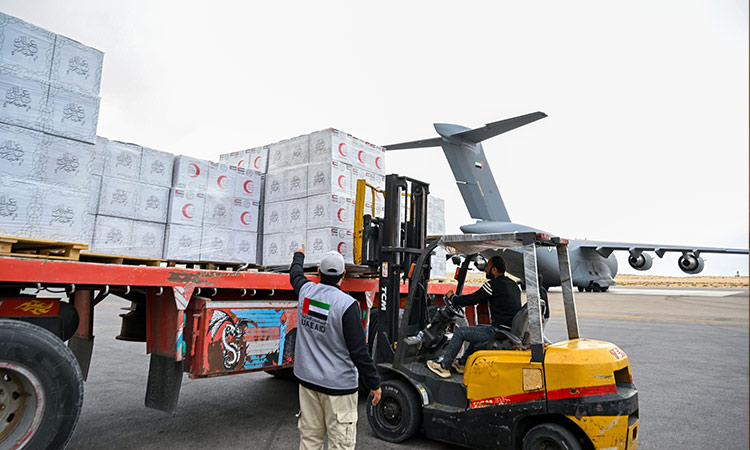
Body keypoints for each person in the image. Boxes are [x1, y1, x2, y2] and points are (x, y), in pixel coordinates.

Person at [290, 245, 382, 450]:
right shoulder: (346, 305)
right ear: (344, 275)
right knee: (340, 444)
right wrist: (374, 383)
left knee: (310, 440)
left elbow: (295, 275)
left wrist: (299, 254)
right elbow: (359, 352)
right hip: (338, 390)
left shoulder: (306, 292)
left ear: (319, 273)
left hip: (308, 384)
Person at [426, 255, 521, 378]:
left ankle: (444, 366)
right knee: (477, 329)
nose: (485, 269)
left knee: (460, 332)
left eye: (487, 267)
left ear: (494, 270)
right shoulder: (513, 285)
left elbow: (472, 299)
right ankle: (462, 363)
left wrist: (453, 298)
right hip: (507, 331)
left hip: (498, 331)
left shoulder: (493, 285)